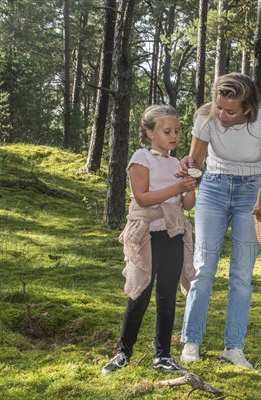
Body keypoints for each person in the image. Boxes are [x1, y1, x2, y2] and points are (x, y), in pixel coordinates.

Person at [176, 73, 261, 369]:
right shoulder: (206, 117)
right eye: (220, 107)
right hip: (214, 187)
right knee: (203, 267)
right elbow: (196, 164)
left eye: (231, 111)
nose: (223, 116)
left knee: (241, 274)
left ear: (248, 109)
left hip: (252, 191)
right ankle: (191, 342)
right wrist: (189, 168)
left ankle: (234, 348)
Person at [102, 105, 196, 377]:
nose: (174, 136)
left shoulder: (175, 164)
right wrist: (177, 187)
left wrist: (190, 185)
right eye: (167, 131)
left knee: (167, 297)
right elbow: (142, 197)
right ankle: (123, 353)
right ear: (149, 133)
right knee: (139, 294)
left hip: (173, 234)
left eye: (177, 131)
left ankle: (163, 356)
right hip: (146, 235)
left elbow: (187, 205)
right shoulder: (141, 158)